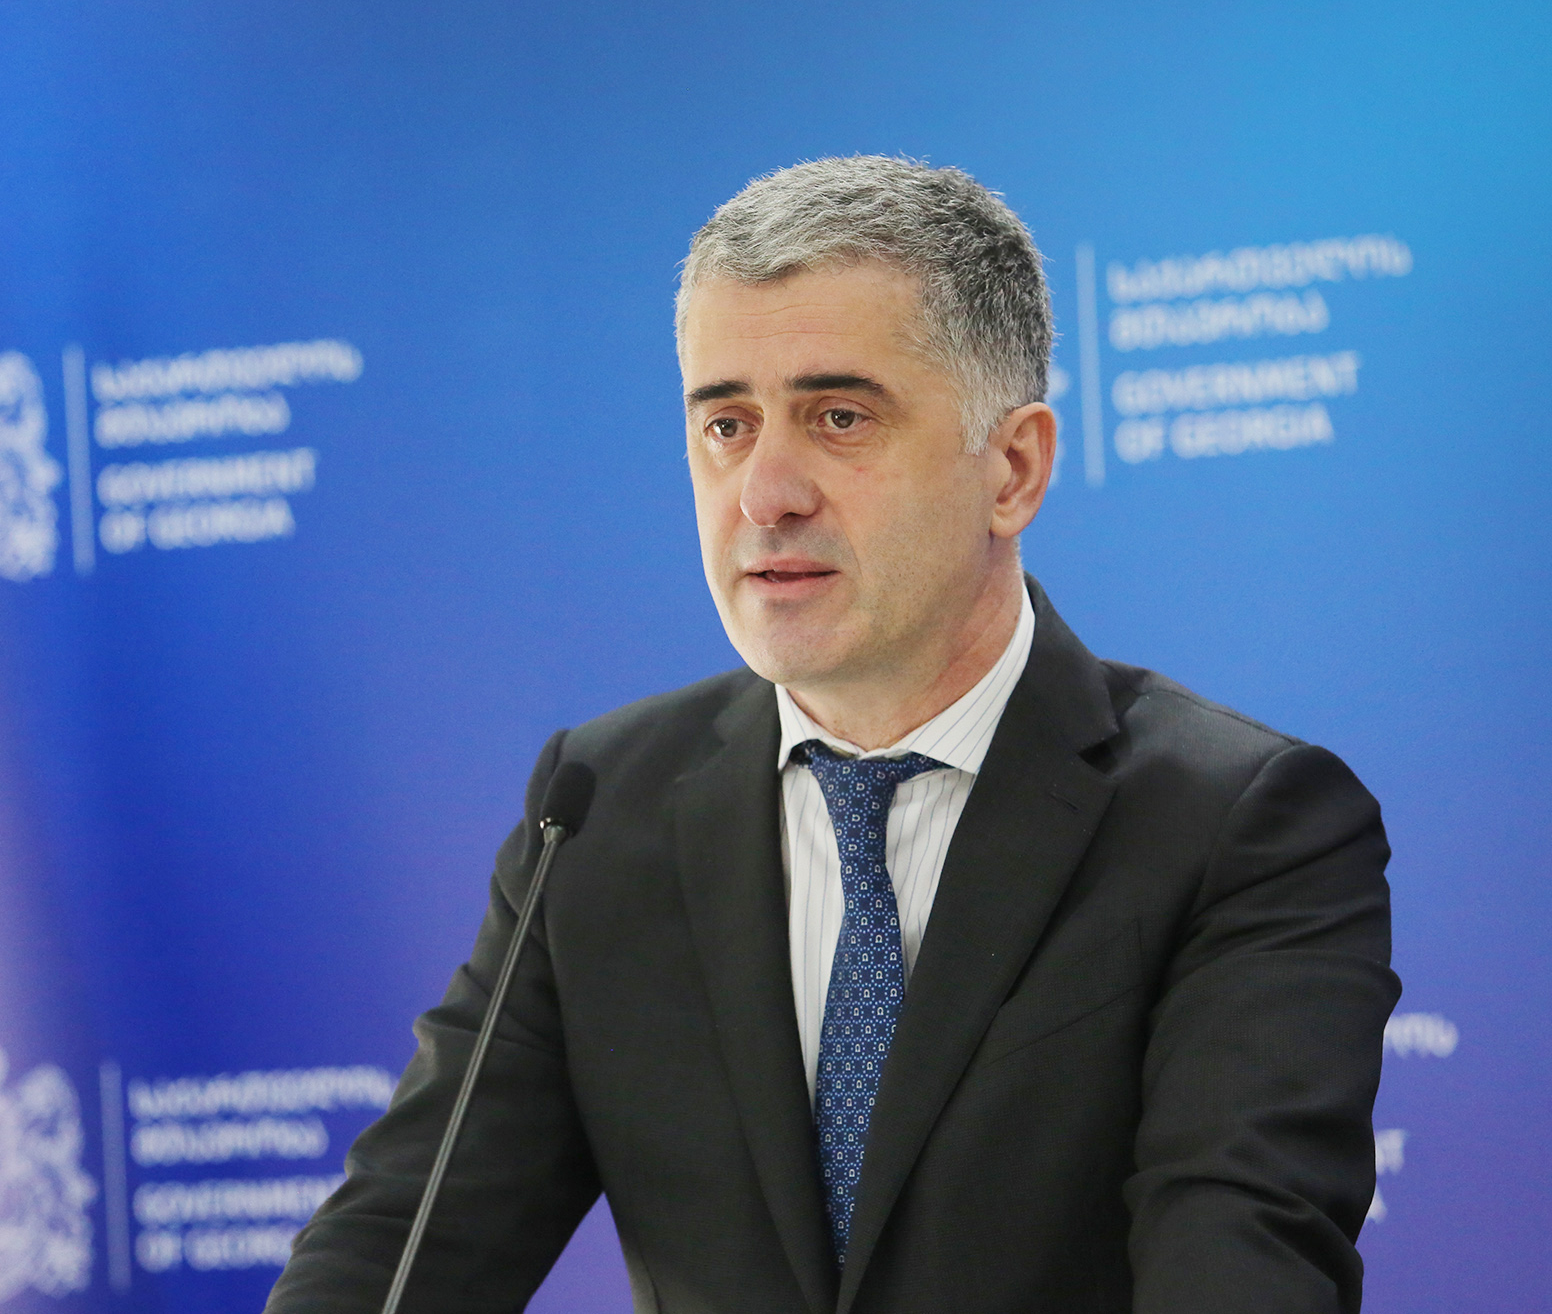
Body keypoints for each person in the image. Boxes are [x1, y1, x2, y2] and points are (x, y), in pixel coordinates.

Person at [266, 156, 1396, 1314]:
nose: (764, 494)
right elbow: (400, 1243)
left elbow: (1236, 1267)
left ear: (1011, 470)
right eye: (725, 424)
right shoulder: (596, 810)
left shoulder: (1239, 827)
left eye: (838, 418)